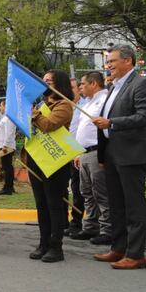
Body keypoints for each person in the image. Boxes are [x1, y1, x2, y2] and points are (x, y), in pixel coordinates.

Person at [91, 44, 146, 269]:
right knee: (116, 204)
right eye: (107, 61)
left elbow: (143, 116)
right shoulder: (113, 87)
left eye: (112, 61)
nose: (108, 65)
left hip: (132, 154)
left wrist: (112, 123)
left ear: (128, 61)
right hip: (112, 152)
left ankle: (136, 254)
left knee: (134, 205)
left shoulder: (140, 84)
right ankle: (118, 248)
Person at [23, 69, 74, 263]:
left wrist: (33, 113)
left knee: (54, 204)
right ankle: (43, 242)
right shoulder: (42, 104)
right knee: (41, 203)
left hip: (55, 161)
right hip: (37, 159)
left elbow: (49, 125)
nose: (44, 84)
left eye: (49, 81)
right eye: (42, 80)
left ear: (59, 84)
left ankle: (56, 246)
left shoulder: (64, 105)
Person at [71, 71, 110, 243]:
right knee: (86, 192)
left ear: (94, 84)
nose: (80, 87)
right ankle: (91, 226)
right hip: (84, 153)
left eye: (83, 84)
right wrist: (79, 152)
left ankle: (107, 229)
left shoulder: (105, 100)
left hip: (97, 152)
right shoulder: (88, 103)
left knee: (100, 192)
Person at [66, 78, 87, 236]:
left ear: (79, 89)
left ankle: (77, 222)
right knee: (60, 189)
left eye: (72, 87)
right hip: (60, 153)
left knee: (78, 189)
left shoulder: (86, 106)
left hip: (77, 153)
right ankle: (62, 221)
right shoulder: (62, 106)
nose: (70, 90)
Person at [0, 100, 17, 195]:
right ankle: (9, 186)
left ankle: (8, 187)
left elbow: (9, 133)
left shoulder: (9, 118)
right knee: (6, 166)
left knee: (7, 167)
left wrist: (5, 145)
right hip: (4, 145)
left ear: (6, 106)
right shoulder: (6, 117)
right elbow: (1, 118)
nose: (0, 107)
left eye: (1, 106)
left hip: (6, 146)